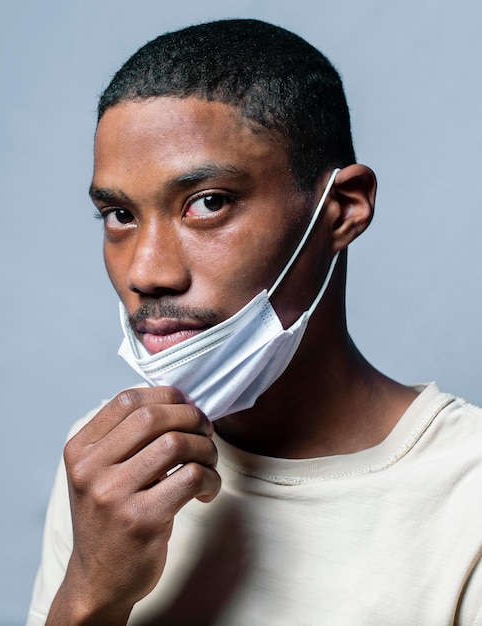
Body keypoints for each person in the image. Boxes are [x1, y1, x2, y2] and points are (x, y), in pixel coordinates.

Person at [27, 18, 482, 625]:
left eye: (208, 203)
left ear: (342, 210)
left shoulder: (466, 497)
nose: (147, 272)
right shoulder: (105, 466)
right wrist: (90, 592)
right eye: (119, 214)